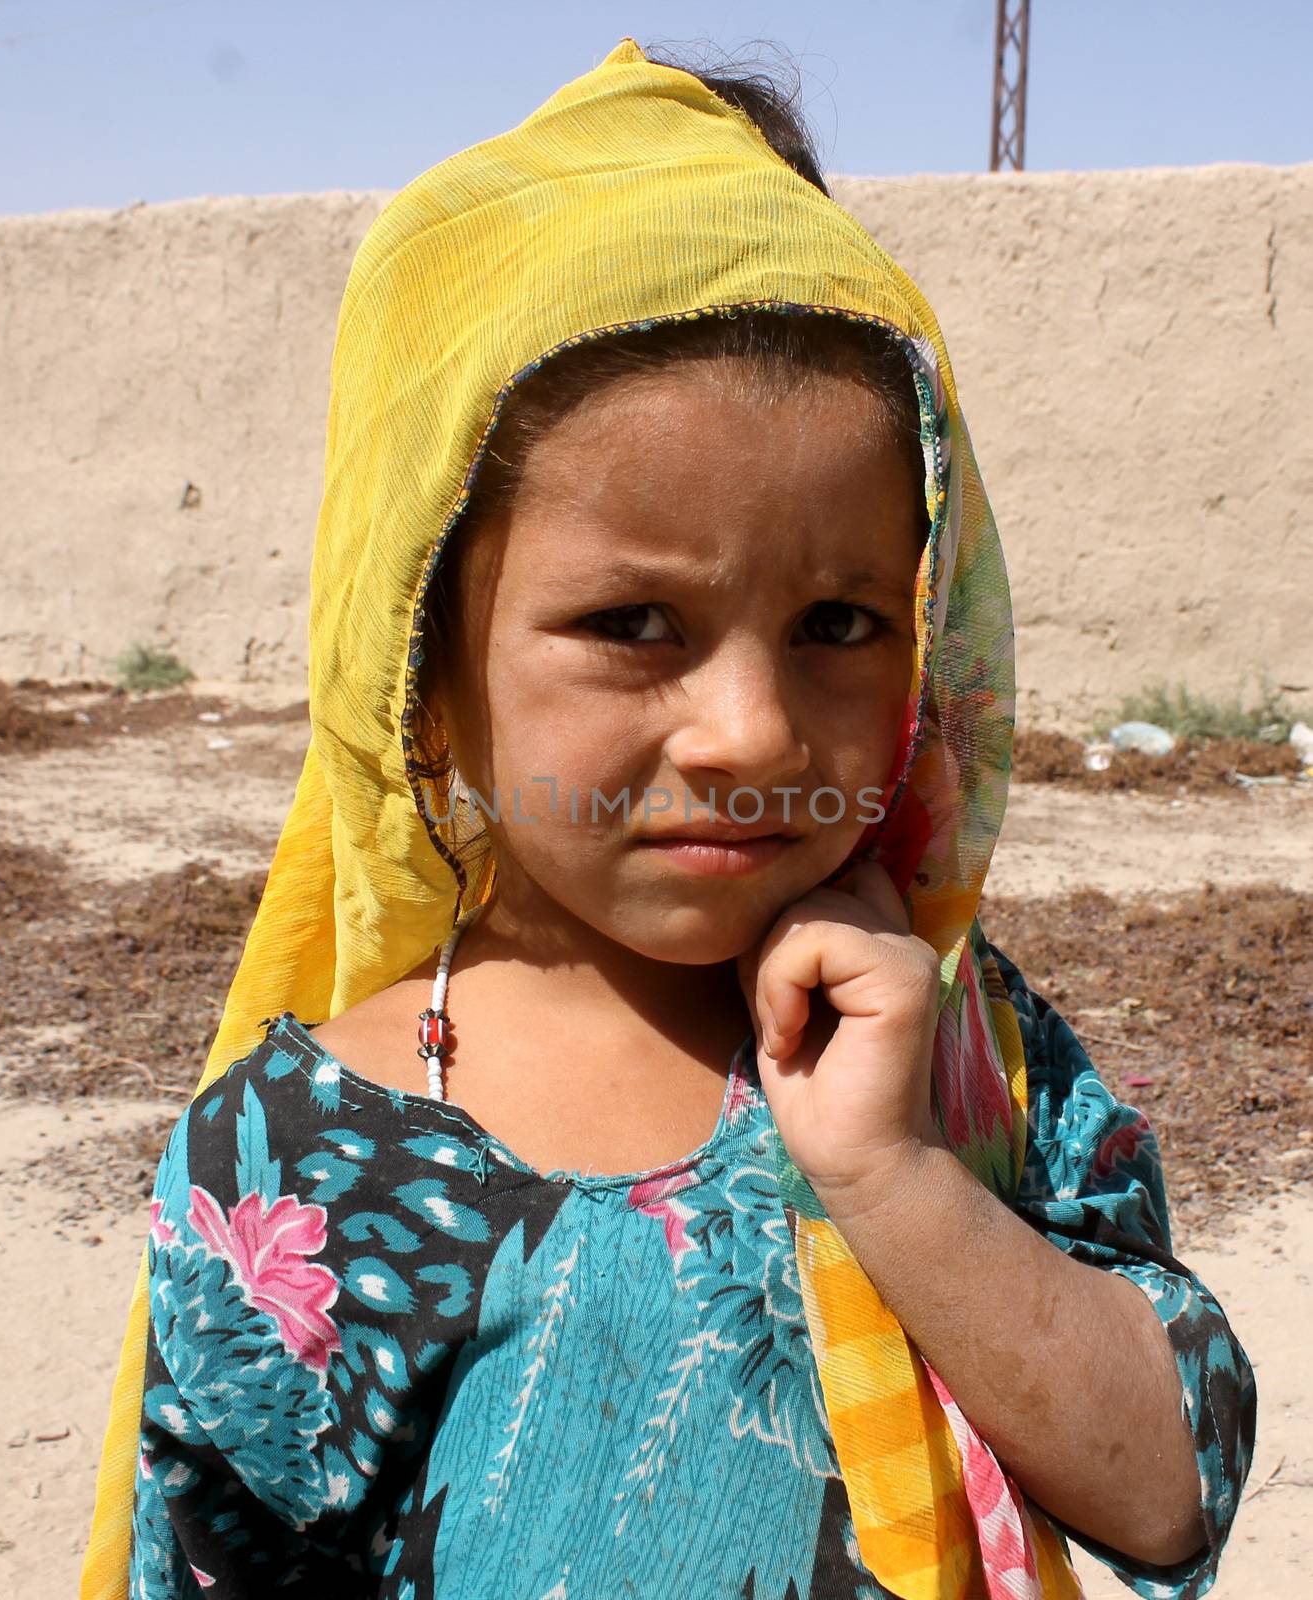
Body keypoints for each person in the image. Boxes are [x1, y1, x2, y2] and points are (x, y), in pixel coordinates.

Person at [82, 37, 1255, 1600]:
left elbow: (1171, 1499)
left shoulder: (961, 1054)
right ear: (421, 682)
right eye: (637, 623)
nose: (756, 731)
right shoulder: (303, 1155)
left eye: (842, 622)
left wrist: (895, 1175)